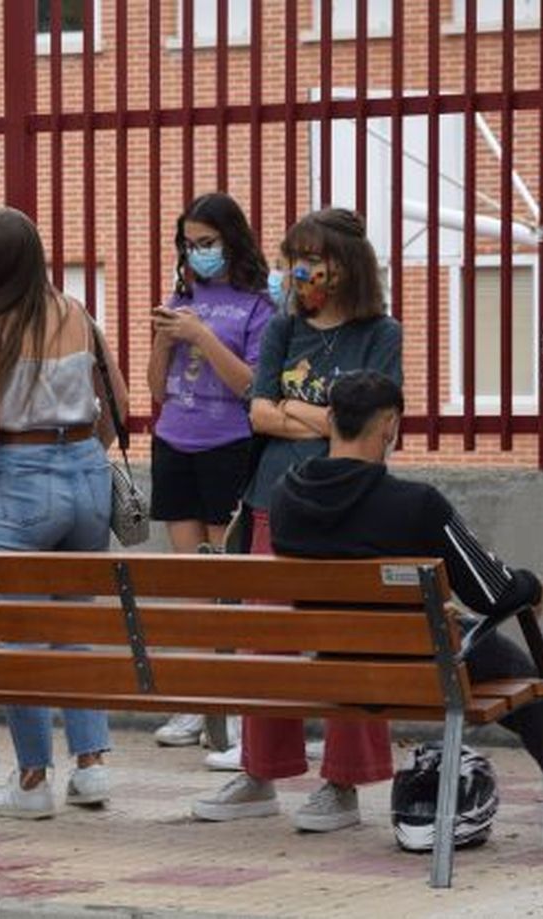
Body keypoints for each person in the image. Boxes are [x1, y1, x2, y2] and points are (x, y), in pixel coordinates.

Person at [272, 370, 543, 830]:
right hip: (418, 669)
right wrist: (531, 586)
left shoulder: (285, 497)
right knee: (519, 673)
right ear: (390, 425)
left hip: (336, 668)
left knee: (483, 655)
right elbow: (492, 592)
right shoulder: (414, 503)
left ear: (330, 419)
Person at [193, 208, 402, 829]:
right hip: (274, 501)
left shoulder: (380, 334)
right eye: (293, 258)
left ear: (345, 265)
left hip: (350, 507)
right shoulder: (284, 330)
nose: (299, 271)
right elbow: (257, 413)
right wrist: (329, 417)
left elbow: (377, 428)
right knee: (267, 640)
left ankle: (343, 787)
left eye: (311, 258)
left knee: (347, 643)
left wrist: (294, 409)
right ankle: (258, 774)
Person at [0, 206, 127, 820]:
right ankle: (93, 768)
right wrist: (77, 457)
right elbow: (117, 404)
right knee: (74, 628)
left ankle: (31, 779)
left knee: (19, 633)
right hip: (87, 475)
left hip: (19, 480)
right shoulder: (75, 313)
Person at [146, 192, 273, 750]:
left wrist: (201, 337)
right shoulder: (182, 295)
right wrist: (164, 337)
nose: (196, 254)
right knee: (191, 581)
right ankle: (198, 702)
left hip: (229, 445)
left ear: (231, 241)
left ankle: (235, 703)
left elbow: (253, 385)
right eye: (188, 244)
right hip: (176, 441)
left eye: (206, 243)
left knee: (227, 580)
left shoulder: (258, 303)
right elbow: (154, 390)